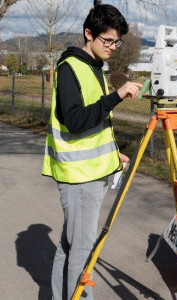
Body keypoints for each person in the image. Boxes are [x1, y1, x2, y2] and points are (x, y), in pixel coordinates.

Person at [42, 3, 142, 299]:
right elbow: (75, 120)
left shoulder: (92, 67)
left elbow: (93, 124)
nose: (112, 47)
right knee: (83, 252)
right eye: (107, 40)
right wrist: (116, 97)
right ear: (89, 33)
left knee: (71, 245)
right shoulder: (71, 67)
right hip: (78, 177)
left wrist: (113, 154)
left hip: (89, 173)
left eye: (116, 41)